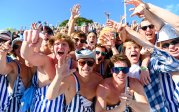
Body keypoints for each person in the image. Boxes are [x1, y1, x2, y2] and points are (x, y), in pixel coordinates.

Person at [21, 30, 75, 112]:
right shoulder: (46, 60)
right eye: (57, 44)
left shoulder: (72, 64)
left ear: (69, 49)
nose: (60, 47)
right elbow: (27, 55)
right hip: (41, 108)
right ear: (52, 47)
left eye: (64, 44)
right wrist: (28, 42)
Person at [0, 31, 35, 112]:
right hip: (11, 108)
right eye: (16, 47)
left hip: (29, 107)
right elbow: (2, 70)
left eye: (22, 45)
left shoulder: (32, 65)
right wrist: (3, 53)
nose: (19, 48)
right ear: (13, 50)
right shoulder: (14, 64)